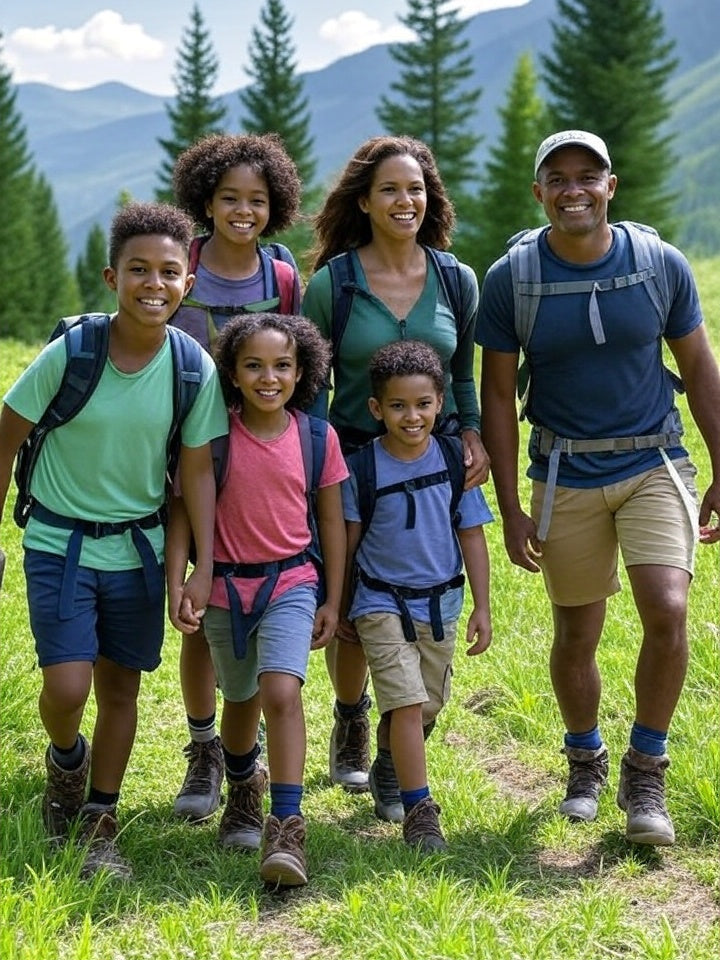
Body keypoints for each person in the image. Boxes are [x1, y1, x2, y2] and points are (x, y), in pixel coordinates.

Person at [476, 129, 720, 846]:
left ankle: (647, 768)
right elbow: (494, 394)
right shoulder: (511, 280)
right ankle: (584, 758)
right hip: (563, 473)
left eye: (589, 176)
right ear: (539, 192)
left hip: (654, 462)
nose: (574, 188)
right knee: (576, 632)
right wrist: (511, 507)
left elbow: (700, 368)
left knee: (667, 610)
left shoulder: (659, 265)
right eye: (558, 177)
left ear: (611, 186)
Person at [0, 201, 228, 878]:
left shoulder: (194, 369)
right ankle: (65, 759)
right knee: (68, 687)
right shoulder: (71, 352)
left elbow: (195, 477)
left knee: (120, 690)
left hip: (138, 550)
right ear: (111, 276)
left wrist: (200, 569)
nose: (153, 284)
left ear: (189, 283)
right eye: (138, 270)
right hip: (58, 544)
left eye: (168, 271)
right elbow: (5, 439)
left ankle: (101, 820)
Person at [301, 134, 490, 817]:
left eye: (415, 189)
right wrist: (309, 470)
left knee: (426, 599)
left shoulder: (455, 279)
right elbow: (308, 387)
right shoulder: (335, 284)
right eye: (389, 189)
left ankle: (394, 742)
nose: (404, 200)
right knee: (356, 605)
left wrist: (468, 431)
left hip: (430, 462)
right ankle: (352, 717)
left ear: (429, 199)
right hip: (351, 466)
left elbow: (462, 371)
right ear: (365, 201)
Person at [166, 312, 347, 888]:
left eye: (282, 366)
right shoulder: (213, 437)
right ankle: (244, 784)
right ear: (233, 373)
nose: (269, 377)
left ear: (303, 371)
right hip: (223, 589)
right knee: (239, 698)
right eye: (254, 366)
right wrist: (183, 579)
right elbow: (181, 516)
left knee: (280, 691)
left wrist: (333, 598)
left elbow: (332, 524)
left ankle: (286, 824)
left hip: (291, 583)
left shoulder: (317, 437)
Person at [169, 132, 303, 822]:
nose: (242, 211)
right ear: (206, 202)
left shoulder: (280, 277)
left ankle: (239, 752)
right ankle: (204, 750)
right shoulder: (182, 267)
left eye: (256, 199)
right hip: (185, 456)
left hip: (258, 463)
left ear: (273, 204)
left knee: (241, 602)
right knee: (200, 615)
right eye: (229, 199)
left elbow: (298, 369)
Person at [339, 339, 492, 850]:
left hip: (442, 603)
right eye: (398, 406)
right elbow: (350, 541)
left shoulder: (455, 461)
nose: (412, 417)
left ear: (440, 404)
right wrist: (339, 604)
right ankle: (420, 811)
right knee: (405, 705)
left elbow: (471, 534)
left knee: (428, 704)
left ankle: (388, 763)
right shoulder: (362, 469)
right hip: (380, 602)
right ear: (376, 409)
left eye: (423, 404)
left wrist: (483, 606)